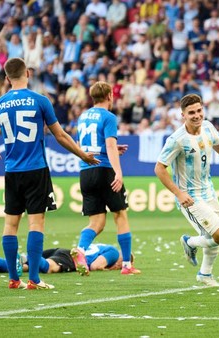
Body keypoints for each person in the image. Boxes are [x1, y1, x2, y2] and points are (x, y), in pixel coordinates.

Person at [0, 58, 99, 290]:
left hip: (12, 171)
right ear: (27, 73)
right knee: (36, 223)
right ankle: (34, 279)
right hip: (36, 169)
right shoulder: (40, 101)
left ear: (6, 78)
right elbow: (60, 135)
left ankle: (13, 278)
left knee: (10, 225)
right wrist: (83, 155)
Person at [154, 94, 219, 287]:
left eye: (199, 110)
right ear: (183, 115)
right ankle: (190, 242)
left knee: (214, 238)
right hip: (190, 198)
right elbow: (159, 168)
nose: (196, 115)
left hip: (208, 192)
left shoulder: (208, 127)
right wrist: (179, 194)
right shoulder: (177, 139)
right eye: (191, 112)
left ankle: (205, 274)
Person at [72, 81, 140, 277]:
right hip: (104, 169)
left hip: (86, 171)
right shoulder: (109, 117)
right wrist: (118, 171)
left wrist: (105, 150)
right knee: (120, 216)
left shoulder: (82, 117)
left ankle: (81, 250)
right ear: (110, 95)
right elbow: (110, 146)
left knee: (97, 223)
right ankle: (126, 265)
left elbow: (79, 145)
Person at [0, 244, 125, 277]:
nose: (120, 265)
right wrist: (109, 268)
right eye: (124, 261)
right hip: (68, 257)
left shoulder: (102, 246)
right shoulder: (114, 253)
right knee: (50, 269)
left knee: (14, 269)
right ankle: (25, 257)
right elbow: (94, 265)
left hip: (61, 250)